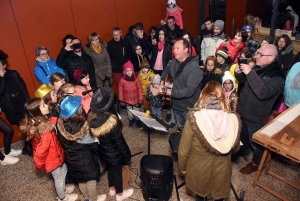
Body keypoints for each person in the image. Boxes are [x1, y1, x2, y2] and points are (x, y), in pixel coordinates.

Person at [178, 81, 241, 201]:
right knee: (218, 196)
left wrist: (182, 167)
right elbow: (236, 148)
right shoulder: (233, 119)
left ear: (203, 95)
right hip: (222, 169)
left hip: (199, 168)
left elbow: (183, 150)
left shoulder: (194, 118)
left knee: (200, 196)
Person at [235, 44, 285, 174]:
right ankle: (241, 151)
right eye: (257, 53)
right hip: (243, 110)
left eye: (261, 55)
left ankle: (256, 163)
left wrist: (250, 73)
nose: (257, 56)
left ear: (271, 58)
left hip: (256, 116)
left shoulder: (278, 78)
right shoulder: (259, 68)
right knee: (242, 135)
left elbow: (263, 93)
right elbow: (245, 82)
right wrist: (239, 73)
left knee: (256, 143)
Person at [19, 98, 78, 201]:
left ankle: (62, 189)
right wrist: (39, 165)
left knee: (63, 170)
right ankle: (62, 197)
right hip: (52, 160)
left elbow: (50, 122)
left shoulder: (40, 121)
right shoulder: (44, 132)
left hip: (56, 154)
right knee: (58, 178)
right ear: (37, 111)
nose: (47, 106)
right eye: (43, 106)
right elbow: (40, 152)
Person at [57, 96, 106, 201]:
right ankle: (93, 199)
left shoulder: (60, 125)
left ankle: (86, 197)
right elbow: (92, 145)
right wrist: (96, 155)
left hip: (71, 158)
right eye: (79, 105)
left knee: (81, 180)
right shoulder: (83, 127)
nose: (81, 105)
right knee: (91, 181)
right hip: (86, 158)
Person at [88, 87, 133, 201]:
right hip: (115, 155)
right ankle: (119, 194)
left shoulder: (93, 119)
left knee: (110, 170)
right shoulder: (111, 123)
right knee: (117, 172)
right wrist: (127, 156)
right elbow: (120, 143)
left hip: (103, 153)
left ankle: (112, 189)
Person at [160, 38, 203, 131]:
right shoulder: (174, 62)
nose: (174, 50)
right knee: (181, 130)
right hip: (176, 106)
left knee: (191, 134)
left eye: (177, 48)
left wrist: (170, 93)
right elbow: (166, 71)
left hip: (189, 109)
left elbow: (189, 91)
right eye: (174, 48)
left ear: (186, 49)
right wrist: (162, 82)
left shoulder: (194, 68)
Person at [0, 50, 32, 156]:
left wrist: (28, 104)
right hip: (11, 109)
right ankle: (28, 147)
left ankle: (28, 146)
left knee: (29, 127)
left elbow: (23, 89)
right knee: (24, 128)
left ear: (4, 64)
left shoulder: (13, 73)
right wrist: (1, 77)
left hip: (22, 105)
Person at [118, 61, 143, 127]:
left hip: (136, 99)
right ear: (124, 71)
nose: (129, 72)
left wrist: (140, 98)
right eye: (127, 71)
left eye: (130, 70)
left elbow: (139, 89)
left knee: (137, 111)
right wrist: (122, 100)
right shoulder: (122, 80)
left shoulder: (136, 78)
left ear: (133, 70)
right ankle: (131, 120)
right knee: (129, 112)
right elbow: (120, 91)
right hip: (127, 100)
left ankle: (138, 120)